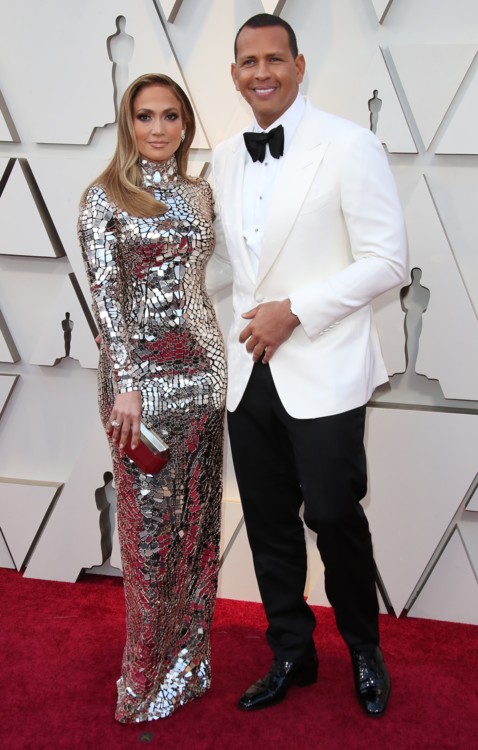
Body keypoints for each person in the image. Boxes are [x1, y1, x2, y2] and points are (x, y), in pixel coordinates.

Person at [207, 14, 408, 717]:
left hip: (324, 365)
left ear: (298, 65)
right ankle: (291, 650)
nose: (261, 72)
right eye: (248, 61)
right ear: (234, 74)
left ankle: (364, 649)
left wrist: (295, 310)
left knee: (332, 513)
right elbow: (224, 266)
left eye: (274, 59)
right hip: (247, 370)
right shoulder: (223, 157)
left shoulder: (351, 145)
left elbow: (387, 261)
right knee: (268, 522)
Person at [78, 73, 226, 723]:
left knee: (199, 528)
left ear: (185, 125)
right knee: (151, 539)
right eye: (145, 116)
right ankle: (143, 680)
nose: (158, 128)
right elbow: (106, 299)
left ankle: (189, 665)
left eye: (170, 116)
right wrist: (128, 383)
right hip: (136, 391)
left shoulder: (200, 194)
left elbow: (208, 281)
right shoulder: (104, 197)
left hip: (203, 375)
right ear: (128, 124)